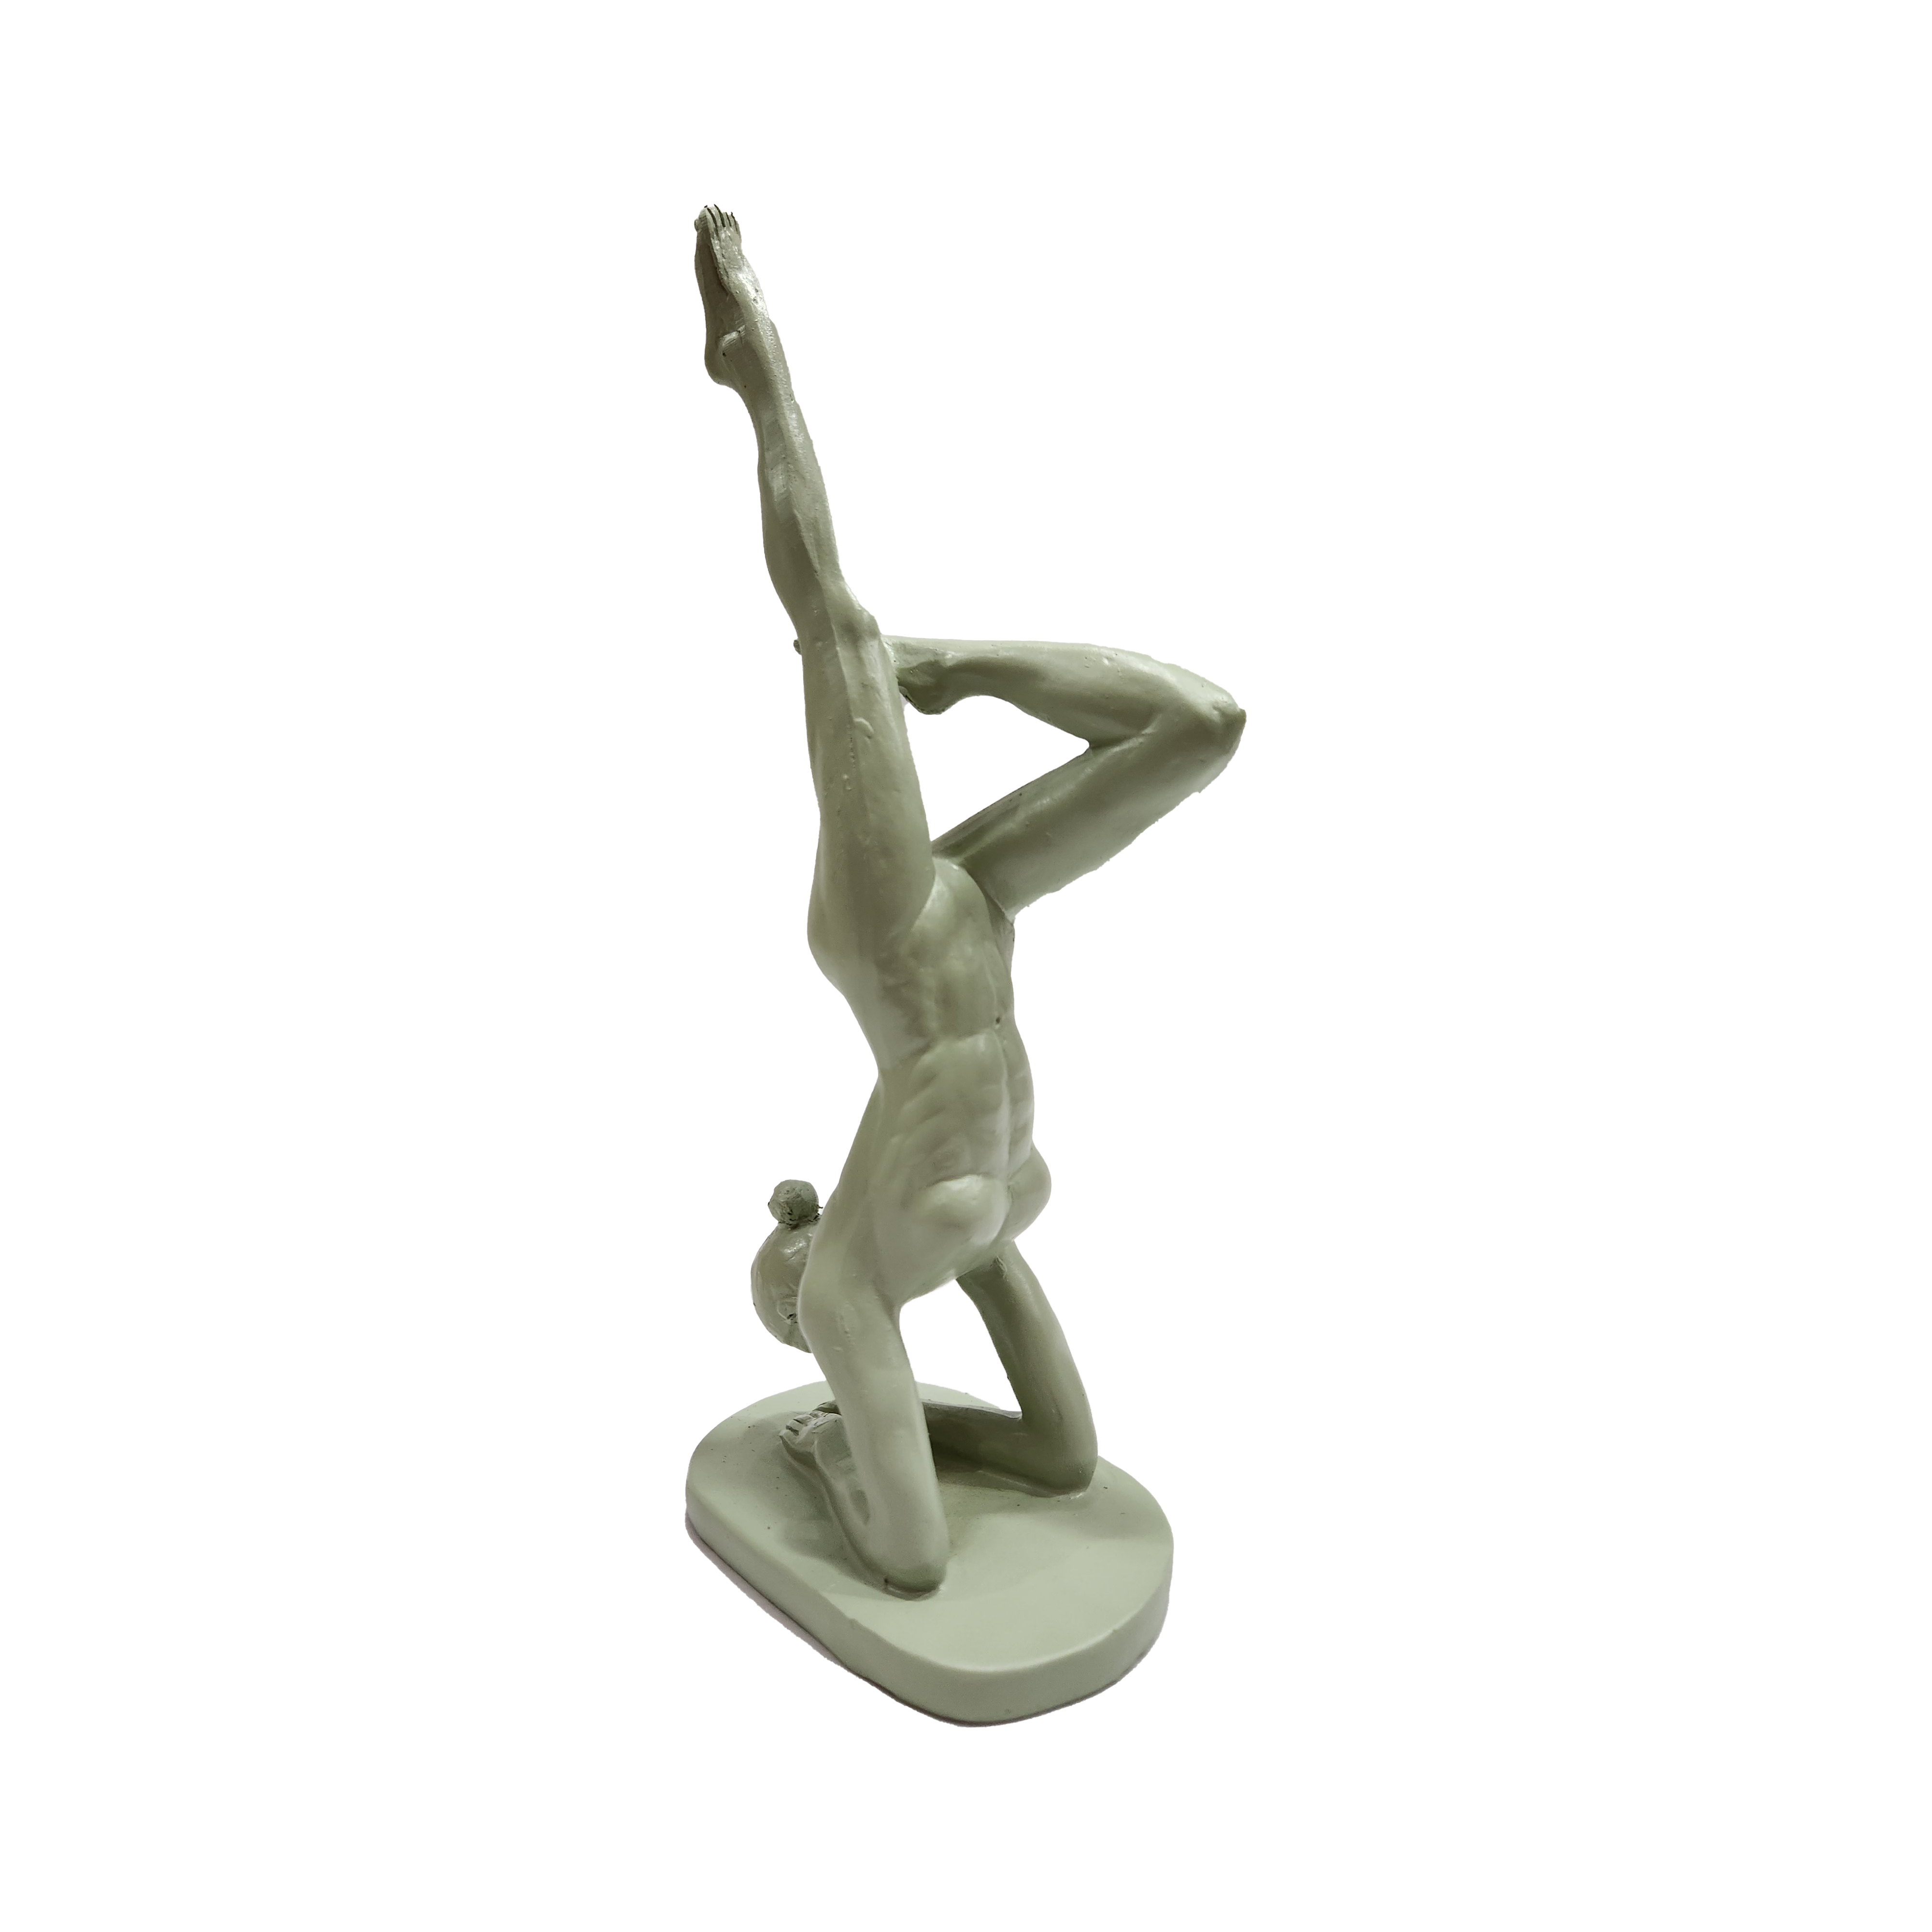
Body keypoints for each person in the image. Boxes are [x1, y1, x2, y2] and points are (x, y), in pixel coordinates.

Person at [695, 206, 1244, 1594]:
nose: (821, 1326)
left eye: (807, 1325)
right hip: (1001, 1172)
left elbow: (909, 1551)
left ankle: (935, 636)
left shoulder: (852, 1274)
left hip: (974, 1135)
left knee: (853, 635)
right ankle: (930, 642)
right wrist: (861, 1444)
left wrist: (846, 1450)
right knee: (855, 632)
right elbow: (958, 1531)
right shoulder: (898, 1249)